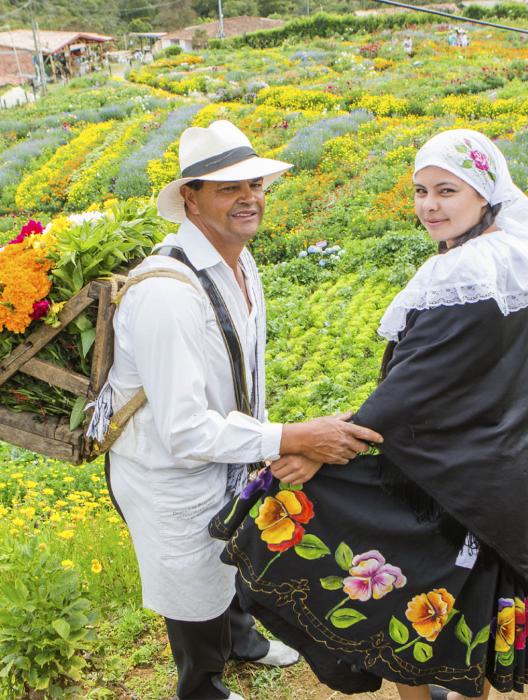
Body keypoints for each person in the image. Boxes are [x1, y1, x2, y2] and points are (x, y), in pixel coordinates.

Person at [217, 129, 528, 700]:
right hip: (491, 464)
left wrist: (320, 445)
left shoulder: (470, 273)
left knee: (317, 533)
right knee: (435, 599)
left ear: (484, 194)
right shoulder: (511, 258)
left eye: (447, 190)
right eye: (421, 191)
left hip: (451, 476)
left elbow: (412, 388)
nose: (429, 205)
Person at [88, 120, 383, 700]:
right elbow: (183, 431)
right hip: (169, 473)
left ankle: (244, 643)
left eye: (255, 183)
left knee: (235, 548)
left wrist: (263, 438)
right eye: (228, 187)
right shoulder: (168, 295)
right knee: (193, 580)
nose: (249, 197)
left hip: (225, 452)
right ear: (191, 199)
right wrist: (290, 438)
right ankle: (202, 686)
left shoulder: (239, 264)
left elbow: (247, 373)